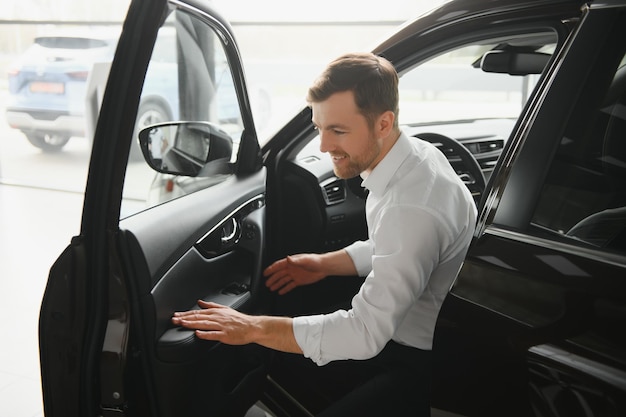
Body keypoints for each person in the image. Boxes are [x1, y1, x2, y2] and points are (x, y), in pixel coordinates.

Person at [172, 52, 477, 416]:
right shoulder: (417, 155)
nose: (323, 146)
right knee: (278, 360)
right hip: (405, 329)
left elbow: (365, 333)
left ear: (383, 123)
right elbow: (392, 248)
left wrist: (251, 326)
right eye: (319, 128)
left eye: (338, 131)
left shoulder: (409, 208)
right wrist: (323, 264)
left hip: (415, 361)